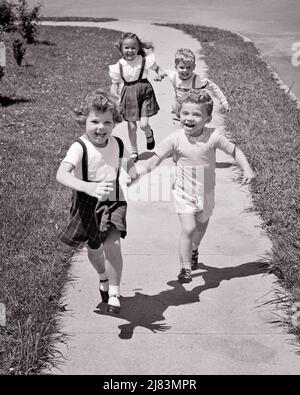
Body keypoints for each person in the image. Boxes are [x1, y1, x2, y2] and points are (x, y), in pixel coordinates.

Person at [134, 90, 255, 283]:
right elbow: (154, 160)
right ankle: (185, 268)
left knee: (201, 225)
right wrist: (137, 174)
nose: (189, 118)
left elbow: (234, 151)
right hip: (183, 192)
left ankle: (194, 249)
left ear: (207, 118)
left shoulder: (213, 136)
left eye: (196, 114)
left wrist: (247, 168)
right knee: (188, 228)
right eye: (185, 113)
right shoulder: (176, 138)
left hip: (206, 191)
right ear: (179, 115)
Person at [56, 89, 137, 313]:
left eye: (107, 122)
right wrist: (89, 187)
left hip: (113, 198)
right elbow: (61, 175)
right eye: (94, 121)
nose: (101, 128)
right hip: (87, 201)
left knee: (113, 243)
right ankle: (102, 276)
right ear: (84, 120)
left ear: (115, 122)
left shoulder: (118, 144)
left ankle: (114, 292)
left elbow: (130, 167)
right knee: (94, 250)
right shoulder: (80, 147)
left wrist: (132, 174)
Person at [109, 32, 163, 163]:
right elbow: (114, 83)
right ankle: (134, 150)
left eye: (133, 47)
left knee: (144, 125)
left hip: (145, 93)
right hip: (128, 94)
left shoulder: (144, 60)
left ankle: (149, 134)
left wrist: (160, 75)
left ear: (138, 48)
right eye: (126, 47)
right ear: (121, 48)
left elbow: (157, 69)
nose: (130, 50)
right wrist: (114, 92)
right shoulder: (119, 66)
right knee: (132, 126)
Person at [158, 48, 229, 126]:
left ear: (194, 67)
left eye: (189, 67)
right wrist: (160, 76)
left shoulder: (198, 80)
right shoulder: (174, 76)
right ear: (176, 67)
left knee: (191, 127)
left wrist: (224, 101)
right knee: (179, 123)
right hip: (179, 104)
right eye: (182, 67)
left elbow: (214, 87)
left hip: (193, 106)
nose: (185, 70)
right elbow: (167, 72)